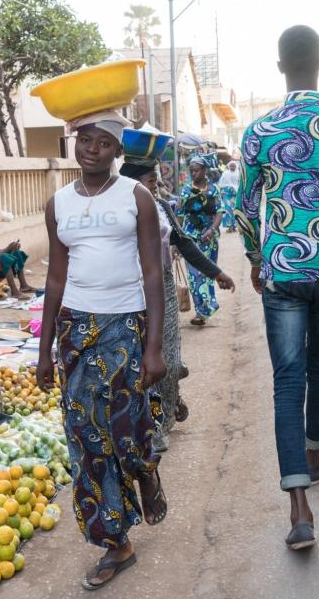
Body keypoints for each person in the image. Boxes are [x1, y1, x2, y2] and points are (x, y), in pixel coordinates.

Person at [235, 25, 319, 550]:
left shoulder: (260, 130)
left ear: (280, 68)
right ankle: (314, 454)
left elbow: (247, 208)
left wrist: (256, 255)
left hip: (283, 273)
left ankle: (299, 505)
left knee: (287, 382)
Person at [36, 110, 168, 590]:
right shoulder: (58, 204)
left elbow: (153, 272)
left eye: (103, 143)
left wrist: (154, 347)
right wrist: (45, 350)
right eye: (85, 140)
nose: (92, 148)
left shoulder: (138, 197)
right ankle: (116, 541)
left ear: (117, 151)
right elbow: (55, 277)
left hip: (125, 326)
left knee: (127, 428)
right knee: (86, 435)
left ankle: (145, 470)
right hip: (75, 328)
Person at [119, 156, 235, 452]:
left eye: (156, 182)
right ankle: (165, 397)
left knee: (164, 359)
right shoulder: (116, 213)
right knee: (136, 362)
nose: (155, 189)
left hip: (164, 289)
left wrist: (217, 273)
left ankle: (161, 422)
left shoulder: (163, 209)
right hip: (127, 291)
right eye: (150, 182)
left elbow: (184, 244)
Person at [178, 154, 225, 326]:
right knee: (193, 276)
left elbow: (220, 211)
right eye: (191, 171)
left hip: (209, 240)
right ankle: (201, 311)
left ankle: (204, 311)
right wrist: (177, 240)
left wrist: (212, 230)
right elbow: (180, 215)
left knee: (206, 273)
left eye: (196, 170)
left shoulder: (214, 189)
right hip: (190, 239)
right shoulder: (185, 190)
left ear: (204, 170)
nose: (193, 174)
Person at [219, 161, 240, 232]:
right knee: (227, 208)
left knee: (234, 209)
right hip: (226, 193)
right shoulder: (225, 173)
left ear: (236, 166)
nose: (232, 167)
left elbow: (240, 184)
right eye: (231, 166)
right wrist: (221, 191)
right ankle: (229, 225)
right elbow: (221, 183)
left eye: (233, 166)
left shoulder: (238, 174)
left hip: (235, 194)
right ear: (228, 166)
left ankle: (234, 226)